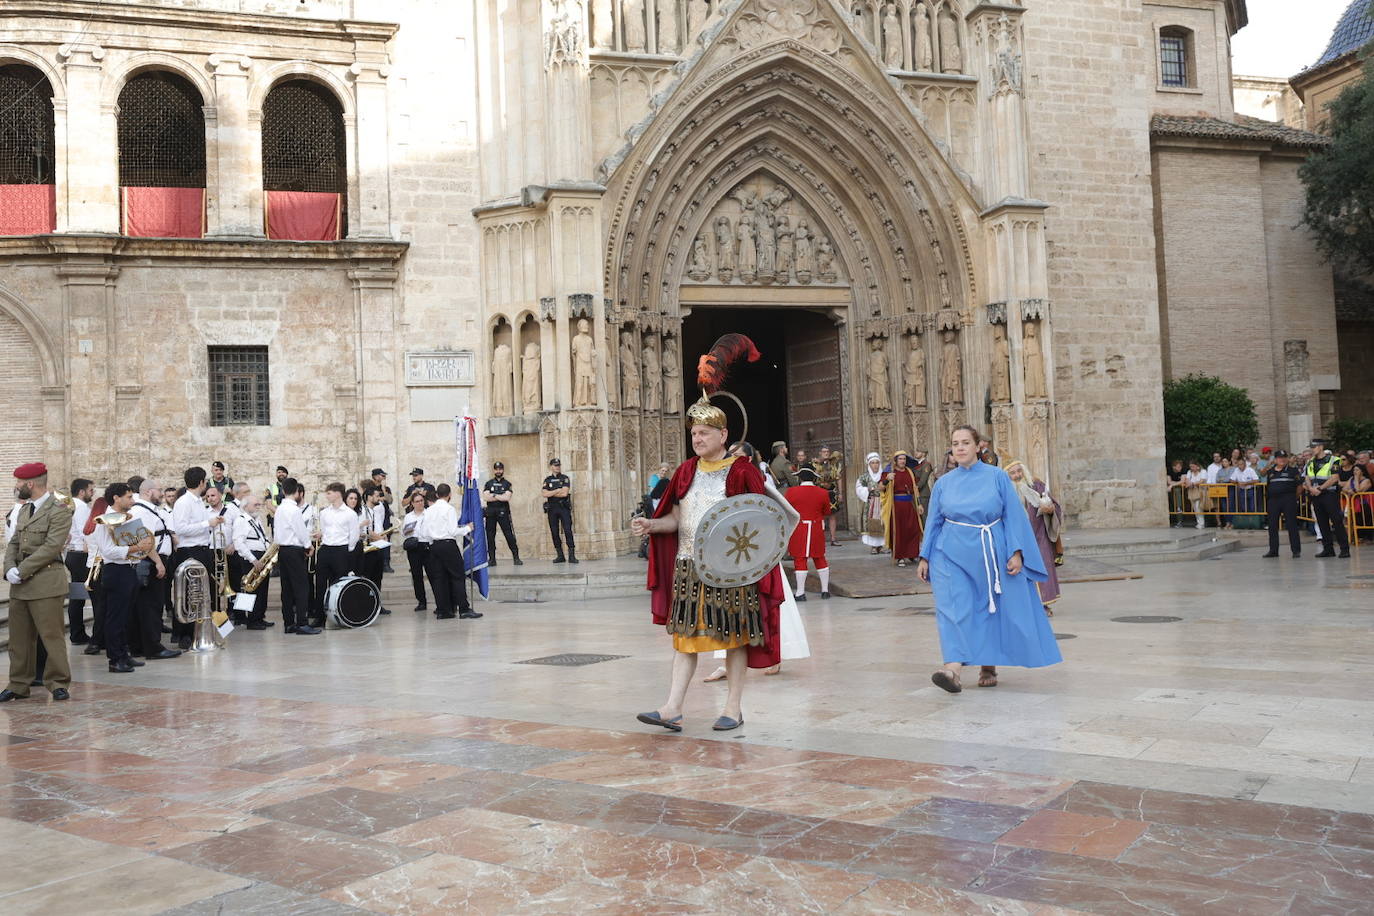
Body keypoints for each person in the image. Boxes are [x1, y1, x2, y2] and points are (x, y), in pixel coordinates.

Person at [631, 388, 786, 733]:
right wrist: (652, 524)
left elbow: (761, 521)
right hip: (688, 567)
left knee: (735, 637)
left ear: (723, 435)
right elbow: (676, 518)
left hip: (730, 570)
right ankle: (672, 708)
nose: (697, 439)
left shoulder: (742, 471)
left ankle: (733, 708)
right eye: (693, 434)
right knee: (684, 638)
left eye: (703, 433)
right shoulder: (686, 471)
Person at [918, 426, 1062, 692]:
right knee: (952, 607)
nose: (959, 448)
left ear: (977, 447)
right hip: (949, 553)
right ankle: (952, 668)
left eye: (965, 443)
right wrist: (925, 555)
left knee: (989, 606)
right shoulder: (943, 483)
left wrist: (1016, 552)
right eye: (955, 444)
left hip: (989, 550)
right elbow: (934, 520)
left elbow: (1013, 516)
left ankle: (987, 664)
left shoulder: (997, 477)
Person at [2, 463, 77, 701]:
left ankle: (57, 683)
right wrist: (9, 568)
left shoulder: (59, 509)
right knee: (19, 638)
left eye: (19, 483)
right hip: (20, 584)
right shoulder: (25, 510)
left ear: (30, 484)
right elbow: (14, 542)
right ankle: (18, 684)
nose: (17, 487)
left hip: (46, 581)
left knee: (51, 635)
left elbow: (52, 546)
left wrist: (21, 570)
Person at [90, 483, 155, 674]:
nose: (132, 501)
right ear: (116, 498)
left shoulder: (126, 518)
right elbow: (108, 550)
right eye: (128, 497)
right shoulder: (104, 520)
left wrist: (142, 546)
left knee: (125, 617)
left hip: (128, 569)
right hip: (115, 571)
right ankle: (115, 659)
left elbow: (137, 542)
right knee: (115, 618)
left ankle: (124, 654)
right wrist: (137, 548)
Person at [172, 467, 226, 650]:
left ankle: (199, 631)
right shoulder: (184, 502)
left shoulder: (198, 503)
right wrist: (207, 523)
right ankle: (183, 634)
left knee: (203, 593)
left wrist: (211, 525)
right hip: (189, 551)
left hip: (202, 549)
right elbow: (180, 529)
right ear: (201, 482)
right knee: (189, 593)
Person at [1004, 459, 1062, 616]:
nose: (1017, 475)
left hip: (1039, 535)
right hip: (1017, 538)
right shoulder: (1006, 491)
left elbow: (1055, 506)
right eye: (1013, 473)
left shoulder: (1037, 486)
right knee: (1020, 572)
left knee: (1041, 569)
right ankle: (1025, 606)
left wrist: (1049, 509)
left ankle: (1043, 605)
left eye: (1019, 471)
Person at [129, 479, 180, 659]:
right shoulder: (141, 511)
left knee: (144, 606)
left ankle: (139, 646)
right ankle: (153, 647)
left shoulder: (144, 510)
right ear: (149, 492)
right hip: (151, 562)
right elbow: (145, 541)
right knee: (152, 606)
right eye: (159, 490)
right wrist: (158, 562)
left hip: (152, 560)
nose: (161, 493)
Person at [424, 483, 480, 620]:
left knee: (439, 579)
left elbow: (425, 532)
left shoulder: (429, 510)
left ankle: (444, 610)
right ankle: (463, 608)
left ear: (437, 495)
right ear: (449, 495)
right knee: (457, 577)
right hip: (448, 545)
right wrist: (467, 528)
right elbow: (453, 531)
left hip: (434, 546)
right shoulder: (449, 509)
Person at [271, 479, 320, 635]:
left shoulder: (279, 509)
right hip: (294, 550)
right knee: (301, 587)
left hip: (283, 550)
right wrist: (308, 546)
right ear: (298, 492)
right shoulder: (294, 510)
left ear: (283, 491)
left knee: (287, 589)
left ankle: (289, 623)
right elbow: (300, 531)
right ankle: (302, 623)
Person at [314, 483, 360, 622]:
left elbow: (354, 535)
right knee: (320, 584)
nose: (327, 495)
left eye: (329, 493)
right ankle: (319, 617)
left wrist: (347, 551)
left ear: (338, 494)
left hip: (341, 550)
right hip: (325, 549)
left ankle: (340, 614)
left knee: (338, 584)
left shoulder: (350, 514)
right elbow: (323, 530)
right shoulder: (324, 513)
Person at [786, 467, 832, 600]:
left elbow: (787, 510)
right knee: (820, 557)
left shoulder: (791, 491)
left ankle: (800, 593)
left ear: (800, 478)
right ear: (814, 478)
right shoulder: (823, 492)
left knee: (800, 559)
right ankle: (825, 591)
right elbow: (827, 511)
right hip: (816, 527)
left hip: (799, 528)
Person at [231, 493, 274, 628]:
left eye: (259, 504)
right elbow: (239, 543)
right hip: (251, 559)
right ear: (246, 506)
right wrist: (253, 560)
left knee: (262, 590)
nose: (258, 507)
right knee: (251, 591)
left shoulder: (257, 519)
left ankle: (259, 617)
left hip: (262, 556)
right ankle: (252, 620)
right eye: (255, 505)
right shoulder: (241, 520)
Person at [1304, 442, 1350, 558]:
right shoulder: (1310, 461)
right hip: (1316, 495)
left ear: (1321, 447)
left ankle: (1344, 549)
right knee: (1322, 523)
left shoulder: (1334, 460)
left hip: (1329, 494)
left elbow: (1334, 478)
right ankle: (1328, 549)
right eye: (1311, 448)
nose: (1312, 450)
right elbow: (1307, 477)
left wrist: (1319, 488)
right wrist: (1310, 488)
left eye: (1314, 447)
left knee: (1337, 522)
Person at [880, 450, 923, 567]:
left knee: (913, 529)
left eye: (904, 459)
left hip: (909, 504)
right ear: (895, 461)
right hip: (896, 506)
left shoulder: (909, 472)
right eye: (900, 459)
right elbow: (880, 487)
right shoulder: (889, 472)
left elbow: (915, 489)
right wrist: (886, 479)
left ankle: (912, 553)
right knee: (899, 532)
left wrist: (919, 504)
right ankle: (900, 557)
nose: (902, 461)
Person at [65, 477, 94, 644]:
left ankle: (77, 633)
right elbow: (86, 532)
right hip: (81, 555)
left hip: (73, 554)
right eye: (90, 490)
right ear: (82, 492)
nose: (92, 494)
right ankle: (80, 634)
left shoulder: (69, 505)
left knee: (77, 596)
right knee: (88, 595)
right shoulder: (81, 507)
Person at [1262, 449, 1302, 558]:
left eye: (1284, 457)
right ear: (1275, 459)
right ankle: (1273, 550)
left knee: (1291, 525)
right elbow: (1263, 475)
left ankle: (1296, 550)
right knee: (1272, 525)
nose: (1282, 460)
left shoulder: (1293, 471)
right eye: (1280, 458)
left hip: (1288, 499)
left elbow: (1299, 487)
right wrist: (1269, 465)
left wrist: (1294, 498)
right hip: (1273, 501)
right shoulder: (1271, 472)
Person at [360, 485, 393, 616]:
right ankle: (367, 605)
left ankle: (377, 604)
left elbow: (377, 528)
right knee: (368, 578)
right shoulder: (363, 511)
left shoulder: (375, 511)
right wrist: (379, 537)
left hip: (377, 547)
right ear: (369, 497)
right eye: (376, 495)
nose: (379, 498)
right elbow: (367, 531)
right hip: (368, 549)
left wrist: (383, 535)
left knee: (377, 578)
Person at [482, 461, 521, 566]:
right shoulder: (488, 483)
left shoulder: (507, 484)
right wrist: (500, 496)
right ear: (494, 470)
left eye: (500, 469)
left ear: (503, 470)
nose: (498, 471)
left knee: (509, 534)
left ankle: (516, 557)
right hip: (491, 512)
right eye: (496, 469)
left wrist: (493, 495)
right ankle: (492, 559)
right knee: (490, 536)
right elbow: (486, 497)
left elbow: (507, 497)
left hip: (503, 511)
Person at [541, 458, 577, 564]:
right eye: (555, 465)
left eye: (558, 465)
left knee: (567, 530)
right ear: (551, 466)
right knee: (554, 532)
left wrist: (551, 492)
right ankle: (560, 555)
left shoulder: (565, 478)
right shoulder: (547, 480)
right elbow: (544, 494)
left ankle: (571, 555)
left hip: (563, 508)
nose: (557, 467)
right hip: (552, 508)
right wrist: (557, 490)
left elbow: (565, 493)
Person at [402, 490, 431, 612]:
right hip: (414, 547)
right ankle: (421, 601)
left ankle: (440, 602)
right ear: (412, 504)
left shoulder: (429, 513)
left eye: (421, 501)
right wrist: (409, 530)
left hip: (427, 545)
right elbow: (405, 533)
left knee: (432, 574)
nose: (419, 503)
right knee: (416, 575)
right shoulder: (409, 516)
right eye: (417, 501)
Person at [855, 452, 886, 554]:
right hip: (870, 503)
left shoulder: (884, 475)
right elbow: (858, 488)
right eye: (873, 463)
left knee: (883, 523)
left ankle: (881, 546)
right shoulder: (864, 477)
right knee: (872, 523)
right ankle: (873, 546)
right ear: (869, 464)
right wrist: (867, 490)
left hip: (882, 502)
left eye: (877, 462)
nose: (875, 465)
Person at [814, 445, 843, 546]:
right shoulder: (815, 464)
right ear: (820, 453)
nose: (826, 453)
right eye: (824, 451)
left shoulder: (834, 464)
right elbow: (812, 478)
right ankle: (819, 539)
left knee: (832, 515)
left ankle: (833, 539)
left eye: (827, 451)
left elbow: (838, 478)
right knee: (819, 516)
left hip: (831, 492)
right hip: (819, 492)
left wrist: (840, 493)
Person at [1184, 460, 1208, 529]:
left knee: (1198, 507)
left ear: (1197, 466)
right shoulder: (1189, 472)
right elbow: (1187, 480)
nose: (1192, 468)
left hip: (1201, 491)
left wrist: (1193, 483)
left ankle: (1201, 523)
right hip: (1192, 491)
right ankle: (1199, 522)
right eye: (1190, 467)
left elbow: (1202, 480)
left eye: (1193, 466)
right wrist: (1189, 483)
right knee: (1195, 507)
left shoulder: (1203, 471)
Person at [1166, 459, 1187, 527]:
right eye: (1178, 467)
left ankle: (1180, 521)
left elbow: (1182, 481)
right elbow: (1169, 481)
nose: (1180, 468)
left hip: (1181, 490)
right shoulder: (1169, 470)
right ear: (1173, 467)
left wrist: (1172, 485)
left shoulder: (1183, 470)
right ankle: (1173, 520)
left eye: (1180, 466)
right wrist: (1174, 484)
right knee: (1172, 504)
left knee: (1179, 505)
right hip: (1171, 490)